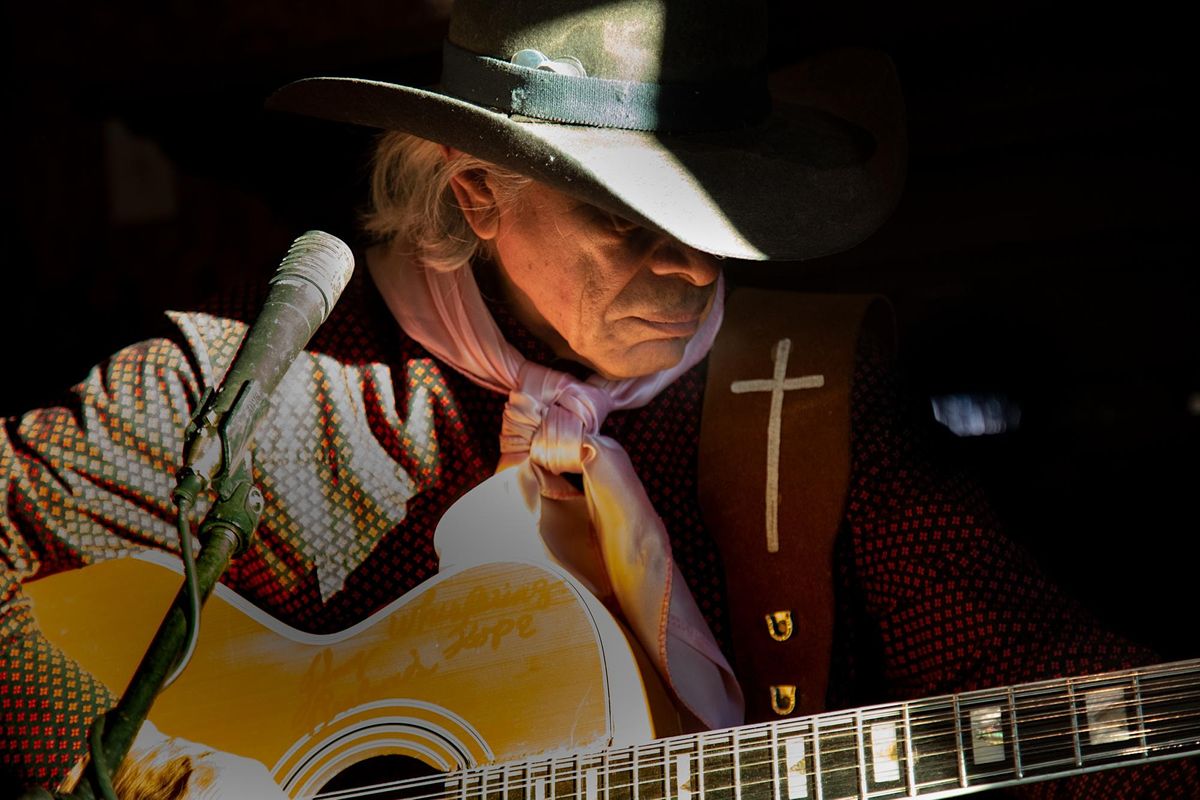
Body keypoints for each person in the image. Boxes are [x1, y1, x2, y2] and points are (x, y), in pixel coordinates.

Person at [3, 1, 1196, 798]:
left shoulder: (814, 399)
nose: (691, 269)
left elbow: (1016, 661)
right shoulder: (259, 394)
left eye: (717, 218)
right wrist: (139, 773)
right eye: (630, 221)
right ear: (476, 192)